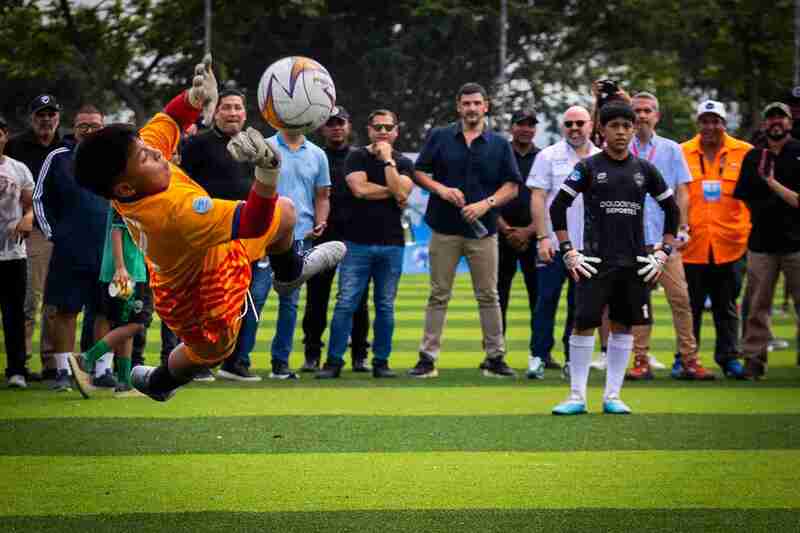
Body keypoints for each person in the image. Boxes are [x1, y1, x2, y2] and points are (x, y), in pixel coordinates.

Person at [72, 56, 345, 402]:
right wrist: (267, 174)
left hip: (215, 251)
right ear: (125, 188)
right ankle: (160, 383)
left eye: (145, 146)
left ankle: (289, 271)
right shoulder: (173, 215)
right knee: (209, 352)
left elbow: (170, 119)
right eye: (144, 156)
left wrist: (194, 98)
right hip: (200, 296)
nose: (155, 153)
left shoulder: (131, 170)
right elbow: (253, 222)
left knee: (286, 211)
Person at [549, 102, 680, 415]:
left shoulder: (645, 170)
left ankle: (613, 396)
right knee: (583, 324)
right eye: (614, 126)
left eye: (626, 126)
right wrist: (568, 251)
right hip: (594, 261)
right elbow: (557, 207)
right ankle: (576, 397)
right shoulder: (588, 167)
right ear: (602, 130)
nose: (621, 132)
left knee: (623, 327)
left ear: (633, 129)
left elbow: (672, 210)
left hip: (634, 263)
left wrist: (663, 251)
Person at [411, 82, 522, 378]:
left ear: (486, 106)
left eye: (477, 103)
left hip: (483, 231)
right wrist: (442, 190)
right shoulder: (440, 137)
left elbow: (512, 186)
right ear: (459, 107)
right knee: (438, 295)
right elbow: (419, 172)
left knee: (488, 295)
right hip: (444, 228)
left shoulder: (499, 144)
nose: (472, 108)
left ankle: (495, 357)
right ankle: (427, 358)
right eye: (466, 104)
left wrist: (486, 204)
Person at [315, 109, 414, 378]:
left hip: (392, 244)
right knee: (346, 302)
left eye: (387, 127)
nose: (382, 132)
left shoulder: (403, 161)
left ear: (396, 131)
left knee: (385, 305)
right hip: (356, 243)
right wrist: (394, 191)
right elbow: (360, 189)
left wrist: (387, 161)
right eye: (377, 127)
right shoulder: (355, 156)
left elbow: (403, 192)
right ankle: (333, 362)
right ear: (369, 129)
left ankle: (381, 362)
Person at [624, 92, 714, 381]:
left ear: (657, 116)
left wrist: (682, 229)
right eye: (636, 111)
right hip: (633, 240)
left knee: (681, 300)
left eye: (647, 110)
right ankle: (641, 360)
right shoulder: (620, 148)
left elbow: (683, 192)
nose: (641, 115)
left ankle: (690, 359)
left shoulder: (671, 149)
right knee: (639, 302)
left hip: (665, 239)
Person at [179, 87, 262, 382]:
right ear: (216, 112)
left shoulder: (253, 145)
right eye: (227, 107)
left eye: (238, 107)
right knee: (201, 300)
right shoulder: (197, 145)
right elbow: (181, 185)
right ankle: (196, 361)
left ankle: (234, 362)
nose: (233, 113)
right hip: (206, 233)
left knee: (242, 298)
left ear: (245, 113)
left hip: (244, 234)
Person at [33, 104, 109, 392]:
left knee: (105, 311)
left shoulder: (115, 157)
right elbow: (40, 198)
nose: (89, 131)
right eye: (84, 126)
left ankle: (102, 371)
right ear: (74, 128)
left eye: (95, 126)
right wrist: (55, 234)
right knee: (65, 310)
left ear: (104, 128)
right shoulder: (59, 156)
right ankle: (62, 371)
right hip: (69, 249)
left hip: (107, 249)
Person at [680, 101, 752, 378]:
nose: (710, 127)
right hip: (692, 243)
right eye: (705, 121)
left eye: (716, 121)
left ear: (724, 123)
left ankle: (729, 358)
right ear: (698, 123)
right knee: (691, 307)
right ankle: (687, 359)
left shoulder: (744, 152)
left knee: (727, 304)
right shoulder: (682, 152)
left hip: (731, 243)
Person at [528, 106, 601, 379]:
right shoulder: (548, 156)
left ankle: (573, 359)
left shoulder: (600, 158)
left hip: (588, 248)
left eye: (579, 123)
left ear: (590, 125)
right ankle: (538, 355)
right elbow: (537, 198)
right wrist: (542, 237)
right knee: (546, 300)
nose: (574, 128)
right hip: (555, 245)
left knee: (579, 304)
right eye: (568, 123)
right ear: (562, 127)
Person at [301, 106, 371, 372]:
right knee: (316, 298)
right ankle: (311, 353)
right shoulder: (314, 156)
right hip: (322, 237)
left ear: (349, 125)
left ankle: (359, 355)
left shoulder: (360, 157)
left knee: (358, 300)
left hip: (355, 238)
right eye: (331, 123)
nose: (336, 127)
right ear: (322, 127)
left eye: (341, 122)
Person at [734, 102, 800, 379]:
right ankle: (753, 363)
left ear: (790, 123)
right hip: (761, 243)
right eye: (771, 117)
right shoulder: (753, 157)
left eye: (781, 118)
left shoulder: (799, 152)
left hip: (797, 243)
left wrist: (771, 183)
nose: (776, 122)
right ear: (764, 124)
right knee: (757, 309)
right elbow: (744, 197)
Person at [263, 116, 332, 379]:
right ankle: (237, 362)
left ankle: (280, 363)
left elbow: (322, 195)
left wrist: (321, 220)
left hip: (300, 237)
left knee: (289, 302)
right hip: (262, 234)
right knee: (253, 297)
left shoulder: (317, 154)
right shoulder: (265, 146)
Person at [69, 207, 153, 398]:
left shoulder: (127, 195)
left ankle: (124, 383)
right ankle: (87, 358)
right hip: (130, 272)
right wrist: (121, 268)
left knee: (125, 324)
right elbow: (117, 231)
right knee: (137, 324)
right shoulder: (127, 198)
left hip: (126, 270)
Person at [6, 94, 62, 381]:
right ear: (32, 117)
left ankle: (51, 363)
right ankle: (21, 363)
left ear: (58, 117)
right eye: (41, 114)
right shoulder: (16, 145)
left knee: (53, 300)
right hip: (25, 231)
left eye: (51, 114)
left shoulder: (64, 147)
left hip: (58, 231)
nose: (46, 119)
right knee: (29, 298)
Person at [496, 110, 544, 376]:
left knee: (539, 297)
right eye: (521, 124)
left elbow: (549, 200)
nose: (526, 129)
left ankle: (540, 353)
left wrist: (527, 232)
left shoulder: (543, 157)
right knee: (497, 296)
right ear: (512, 127)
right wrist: (507, 230)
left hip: (534, 236)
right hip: (502, 235)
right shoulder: (501, 155)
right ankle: (496, 353)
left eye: (530, 125)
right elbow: (488, 194)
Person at [0, 114, 36, 388]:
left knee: (14, 313)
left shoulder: (18, 169)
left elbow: (31, 203)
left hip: (13, 254)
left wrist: (28, 217)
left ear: (5, 136)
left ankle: (16, 371)